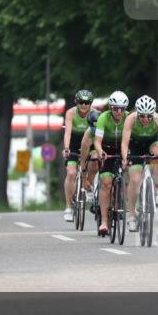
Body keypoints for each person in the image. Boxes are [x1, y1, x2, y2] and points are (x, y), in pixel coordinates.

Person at [120, 95, 158, 232]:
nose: (146, 119)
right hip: (134, 145)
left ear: (153, 114)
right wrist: (125, 159)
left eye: (149, 116)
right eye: (142, 116)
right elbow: (124, 143)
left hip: (152, 142)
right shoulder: (130, 119)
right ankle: (131, 215)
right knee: (135, 180)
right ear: (137, 113)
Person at [92, 90, 129, 237]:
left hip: (123, 149)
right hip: (107, 149)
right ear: (110, 108)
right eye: (115, 108)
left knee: (133, 174)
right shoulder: (103, 118)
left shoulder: (128, 118)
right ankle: (104, 222)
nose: (119, 112)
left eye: (122, 109)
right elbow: (97, 141)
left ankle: (128, 204)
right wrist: (100, 152)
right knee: (106, 182)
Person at [61, 89, 96, 222]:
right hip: (74, 143)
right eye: (81, 102)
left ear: (90, 104)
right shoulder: (71, 113)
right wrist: (66, 148)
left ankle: (88, 185)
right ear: (76, 103)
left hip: (90, 142)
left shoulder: (94, 114)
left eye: (87, 103)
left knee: (95, 161)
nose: (84, 105)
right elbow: (68, 132)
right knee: (71, 173)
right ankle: (69, 207)